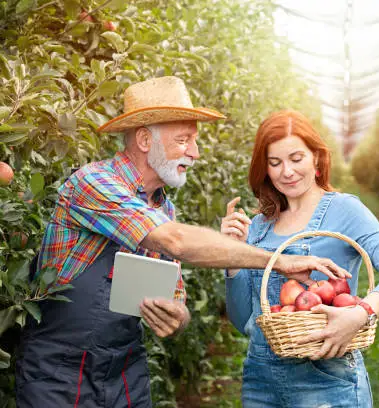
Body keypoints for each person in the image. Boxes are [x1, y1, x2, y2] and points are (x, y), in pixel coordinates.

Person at [14, 78, 348, 408]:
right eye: (184, 140)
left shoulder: (164, 209)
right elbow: (174, 241)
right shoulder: (94, 183)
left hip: (124, 372)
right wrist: (280, 261)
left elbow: (177, 299)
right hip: (59, 373)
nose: (195, 152)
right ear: (145, 140)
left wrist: (177, 316)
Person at [221, 109, 379, 407]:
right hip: (260, 385)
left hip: (326, 380)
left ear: (316, 157)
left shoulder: (345, 211)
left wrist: (362, 313)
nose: (286, 171)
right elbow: (246, 323)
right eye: (275, 163)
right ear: (265, 168)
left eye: (296, 158)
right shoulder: (259, 227)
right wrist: (233, 257)